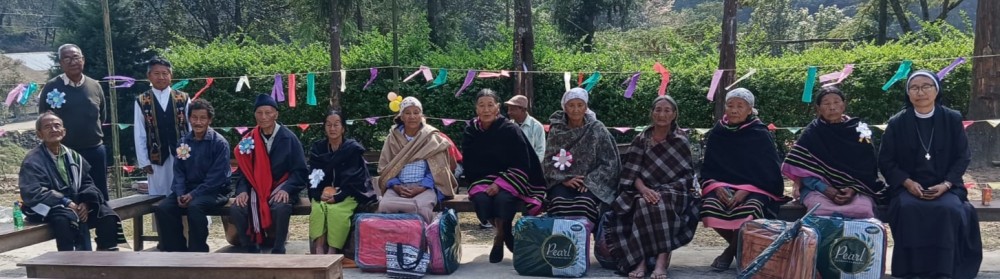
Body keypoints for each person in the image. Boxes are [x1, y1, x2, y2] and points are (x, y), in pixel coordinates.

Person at [878, 70, 981, 279]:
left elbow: (963, 156)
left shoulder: (952, 118)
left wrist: (946, 184)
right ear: (908, 93)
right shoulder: (898, 122)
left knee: (949, 209)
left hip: (946, 187)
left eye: (926, 86)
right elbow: (886, 160)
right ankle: (912, 270)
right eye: (914, 88)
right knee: (907, 208)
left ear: (936, 90)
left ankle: (943, 269)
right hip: (908, 187)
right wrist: (907, 183)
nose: (920, 92)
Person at [607, 95, 699, 279]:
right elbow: (631, 173)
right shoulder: (641, 139)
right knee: (642, 204)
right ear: (651, 113)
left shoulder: (681, 140)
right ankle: (640, 261)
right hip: (642, 190)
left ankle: (661, 262)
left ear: (674, 114)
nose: (662, 114)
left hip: (674, 191)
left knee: (662, 202)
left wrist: (663, 190)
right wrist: (644, 189)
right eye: (658, 110)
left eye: (667, 110)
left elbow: (687, 176)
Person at [698, 88, 784, 271]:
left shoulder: (759, 133)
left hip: (757, 188)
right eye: (730, 105)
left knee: (751, 209)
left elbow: (769, 170)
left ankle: (730, 252)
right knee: (709, 207)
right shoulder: (718, 132)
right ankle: (744, 251)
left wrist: (747, 190)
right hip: (723, 186)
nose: (734, 110)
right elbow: (709, 167)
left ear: (750, 110)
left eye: (740, 106)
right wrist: (715, 186)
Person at [463, 89, 546, 263]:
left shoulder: (510, 129)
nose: (486, 110)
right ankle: (504, 234)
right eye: (482, 105)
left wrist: (500, 183)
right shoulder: (471, 130)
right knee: (482, 200)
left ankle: (500, 236)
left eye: (490, 105)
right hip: (481, 179)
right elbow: (469, 162)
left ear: (497, 108)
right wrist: (485, 183)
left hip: (511, 177)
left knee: (503, 199)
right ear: (476, 109)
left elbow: (522, 161)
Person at [18, 112, 120, 251]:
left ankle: (106, 258)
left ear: (64, 131)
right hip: (47, 206)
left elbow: (87, 183)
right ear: (39, 134)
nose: (53, 130)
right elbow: (33, 192)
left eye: (57, 126)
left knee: (106, 214)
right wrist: (65, 202)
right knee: (66, 219)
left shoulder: (73, 156)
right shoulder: (33, 160)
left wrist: (86, 202)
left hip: (76, 203)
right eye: (48, 127)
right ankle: (68, 263)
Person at [782, 86, 883, 219]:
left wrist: (853, 189)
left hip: (855, 188)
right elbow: (800, 168)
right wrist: (825, 189)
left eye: (836, 102)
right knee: (821, 211)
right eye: (826, 103)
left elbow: (867, 169)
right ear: (818, 108)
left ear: (844, 105)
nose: (832, 107)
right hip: (817, 189)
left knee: (862, 209)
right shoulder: (812, 133)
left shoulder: (858, 130)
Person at [230, 94, 308, 254]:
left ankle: (278, 247)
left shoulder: (289, 138)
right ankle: (250, 246)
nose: (264, 117)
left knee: (281, 207)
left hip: (281, 186)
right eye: (259, 113)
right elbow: (244, 171)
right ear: (255, 115)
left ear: (276, 114)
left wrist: (287, 189)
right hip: (255, 188)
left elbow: (300, 171)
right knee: (237, 207)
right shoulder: (249, 139)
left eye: (268, 112)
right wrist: (242, 190)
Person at [153, 99, 230, 252]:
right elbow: (179, 171)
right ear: (189, 118)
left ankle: (197, 251)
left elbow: (216, 178)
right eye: (194, 117)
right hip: (187, 190)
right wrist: (180, 193)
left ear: (209, 120)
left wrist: (193, 194)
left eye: (203, 118)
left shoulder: (219, 143)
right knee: (163, 208)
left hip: (214, 191)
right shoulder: (183, 141)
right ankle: (175, 250)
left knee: (195, 207)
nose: (198, 122)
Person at [38, 44, 109, 201]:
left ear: (83, 60)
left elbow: (102, 116)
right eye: (67, 58)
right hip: (64, 153)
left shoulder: (94, 86)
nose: (72, 62)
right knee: (70, 198)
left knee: (99, 197)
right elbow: (43, 119)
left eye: (76, 57)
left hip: (94, 150)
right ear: (61, 63)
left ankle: (103, 223)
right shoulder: (51, 87)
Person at [543, 88, 620, 224]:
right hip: (562, 182)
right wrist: (564, 179)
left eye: (580, 105)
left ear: (586, 107)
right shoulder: (557, 130)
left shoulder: (597, 128)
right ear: (565, 107)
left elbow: (610, 161)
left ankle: (581, 242)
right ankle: (558, 242)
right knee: (558, 204)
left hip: (591, 184)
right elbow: (549, 161)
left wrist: (590, 181)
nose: (576, 109)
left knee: (584, 205)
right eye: (571, 105)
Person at [376, 96, 458, 222]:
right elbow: (385, 167)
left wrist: (422, 187)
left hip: (424, 187)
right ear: (401, 117)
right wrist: (396, 186)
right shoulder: (392, 139)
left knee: (422, 209)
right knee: (385, 206)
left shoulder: (432, 138)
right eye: (407, 113)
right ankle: (392, 241)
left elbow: (439, 169)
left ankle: (421, 241)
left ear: (421, 115)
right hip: (398, 187)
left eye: (416, 112)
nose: (412, 116)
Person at [308, 110, 378, 255]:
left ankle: (333, 251)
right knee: (318, 209)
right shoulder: (318, 148)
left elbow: (356, 179)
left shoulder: (352, 149)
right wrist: (317, 193)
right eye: (328, 125)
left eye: (336, 125)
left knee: (336, 211)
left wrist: (339, 196)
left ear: (343, 128)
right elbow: (313, 175)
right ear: (324, 127)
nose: (332, 128)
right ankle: (319, 249)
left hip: (349, 192)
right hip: (324, 193)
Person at [134, 58, 190, 196]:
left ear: (171, 75)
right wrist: (144, 161)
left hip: (183, 154)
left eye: (165, 73)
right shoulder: (141, 100)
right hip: (156, 157)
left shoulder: (183, 98)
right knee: (159, 196)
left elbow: (192, 127)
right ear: (149, 76)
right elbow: (139, 132)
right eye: (156, 73)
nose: (161, 77)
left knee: (186, 191)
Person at [504, 94, 546, 161]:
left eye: (512, 109)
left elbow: (540, 151)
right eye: (508, 109)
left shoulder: (537, 127)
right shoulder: (508, 126)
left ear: (523, 110)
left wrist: (531, 166)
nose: (509, 112)